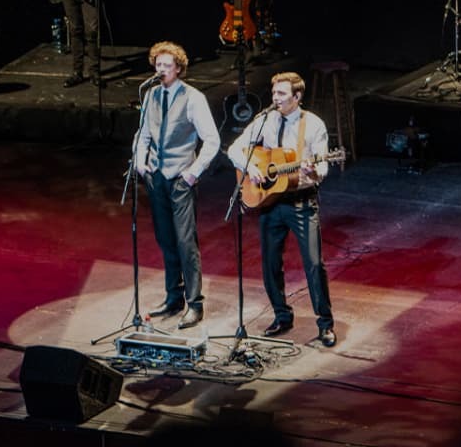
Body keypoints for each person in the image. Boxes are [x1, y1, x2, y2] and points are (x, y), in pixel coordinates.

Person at [227, 71, 337, 348]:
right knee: (270, 263)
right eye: (274, 93)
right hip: (270, 202)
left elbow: (323, 166)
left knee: (313, 264)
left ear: (297, 97)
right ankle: (281, 315)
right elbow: (234, 149)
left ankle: (325, 323)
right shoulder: (265, 119)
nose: (275, 98)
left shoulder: (313, 125)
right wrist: (252, 169)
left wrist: (314, 171)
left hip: (301, 202)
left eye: (282, 94)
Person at [135, 41, 220, 329]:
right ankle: (174, 297)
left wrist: (192, 173)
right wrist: (140, 160)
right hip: (157, 176)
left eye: (167, 66)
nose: (161, 70)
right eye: (158, 65)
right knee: (165, 239)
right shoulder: (151, 95)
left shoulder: (193, 98)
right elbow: (143, 134)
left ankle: (195, 303)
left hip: (181, 178)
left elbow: (212, 140)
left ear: (179, 69)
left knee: (186, 243)